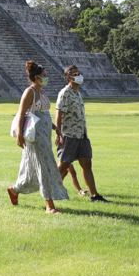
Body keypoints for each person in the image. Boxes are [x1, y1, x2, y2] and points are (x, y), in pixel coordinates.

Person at [7, 60, 69, 214]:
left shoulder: (41, 92)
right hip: (35, 138)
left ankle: (15, 190)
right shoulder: (30, 92)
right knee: (44, 168)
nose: (46, 78)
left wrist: (56, 129)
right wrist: (19, 135)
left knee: (31, 169)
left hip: (44, 136)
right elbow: (21, 114)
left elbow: (45, 115)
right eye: (44, 75)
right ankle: (49, 205)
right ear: (35, 77)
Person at [55, 64, 108, 202]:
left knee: (87, 164)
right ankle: (51, 192)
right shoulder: (65, 93)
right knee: (63, 166)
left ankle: (95, 195)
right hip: (69, 136)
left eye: (79, 73)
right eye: (74, 73)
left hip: (82, 135)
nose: (78, 75)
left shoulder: (78, 93)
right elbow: (58, 114)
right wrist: (58, 134)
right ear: (68, 77)